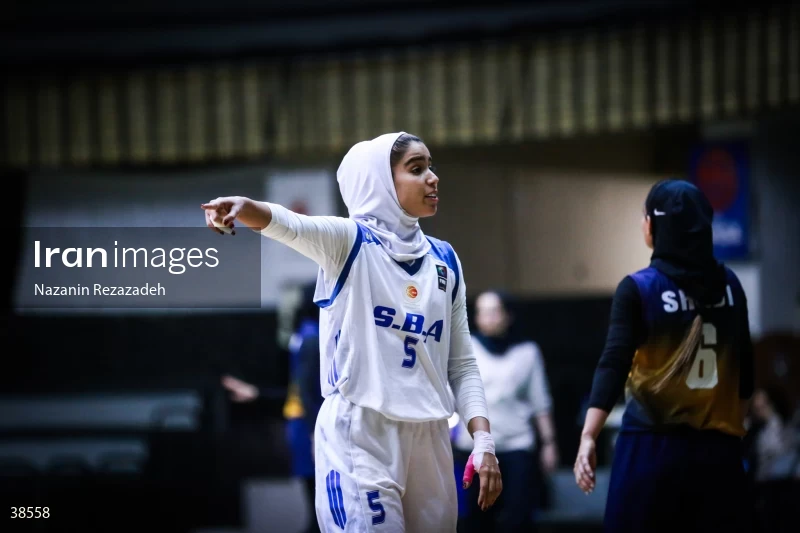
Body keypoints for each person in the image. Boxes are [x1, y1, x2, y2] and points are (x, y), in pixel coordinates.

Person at [202, 132, 502, 532]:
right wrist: (243, 207)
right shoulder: (349, 241)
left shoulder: (445, 259)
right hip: (362, 433)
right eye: (417, 169)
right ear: (379, 182)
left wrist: (482, 440)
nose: (432, 178)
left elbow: (462, 364)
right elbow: (292, 225)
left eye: (431, 166)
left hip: (430, 435)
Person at [574, 179, 755, 533]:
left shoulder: (640, 288)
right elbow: (745, 374)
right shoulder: (731, 285)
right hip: (720, 454)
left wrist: (588, 436)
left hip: (652, 450)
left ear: (654, 226)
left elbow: (614, 363)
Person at [452, 289, 557, 532]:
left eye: (494, 311)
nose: (488, 317)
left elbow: (540, 402)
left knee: (518, 518)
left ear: (507, 315)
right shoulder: (466, 348)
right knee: (477, 521)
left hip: (516, 445)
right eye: (482, 312)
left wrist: (549, 443)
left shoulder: (527, 352)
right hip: (474, 449)